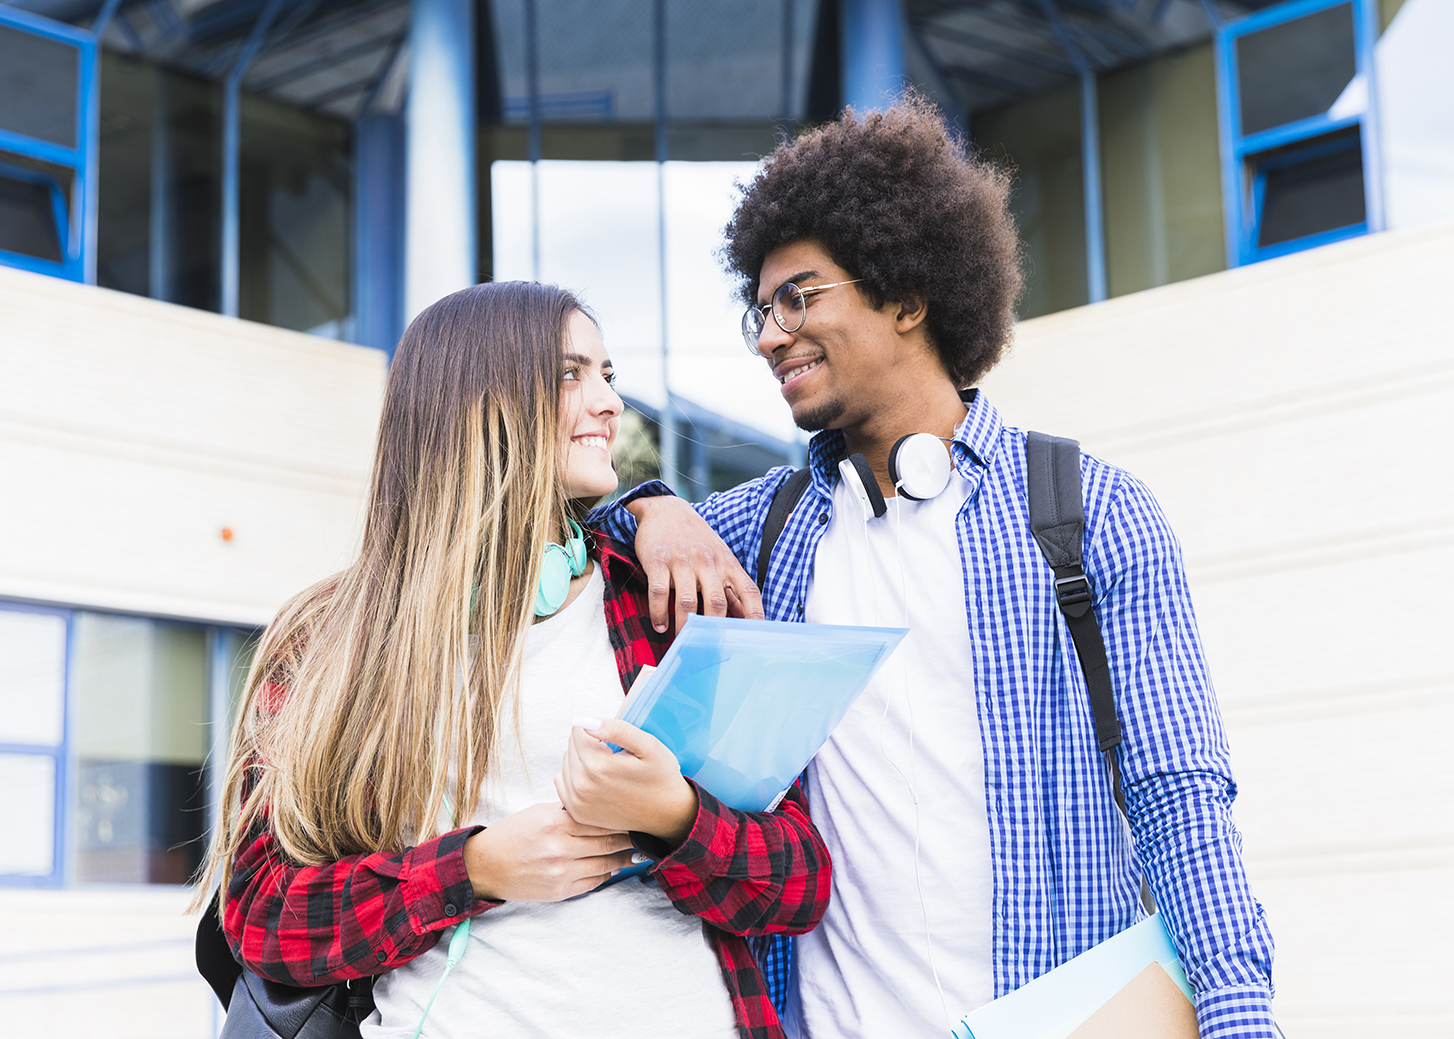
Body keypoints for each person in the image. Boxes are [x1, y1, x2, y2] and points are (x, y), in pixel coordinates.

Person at [592, 96, 1276, 1038]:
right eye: (760, 307)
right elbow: (573, 533)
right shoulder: (755, 533)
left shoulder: (1090, 514)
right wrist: (650, 504)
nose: (767, 334)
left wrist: (1239, 1017)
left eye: (799, 295)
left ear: (909, 295)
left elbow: (1180, 794)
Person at [195, 281, 830, 1039]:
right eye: (572, 374)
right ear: (476, 400)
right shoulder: (332, 642)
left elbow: (797, 881)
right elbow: (267, 918)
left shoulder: (660, 603)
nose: (607, 403)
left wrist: (675, 817)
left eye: (609, 375)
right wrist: (473, 870)